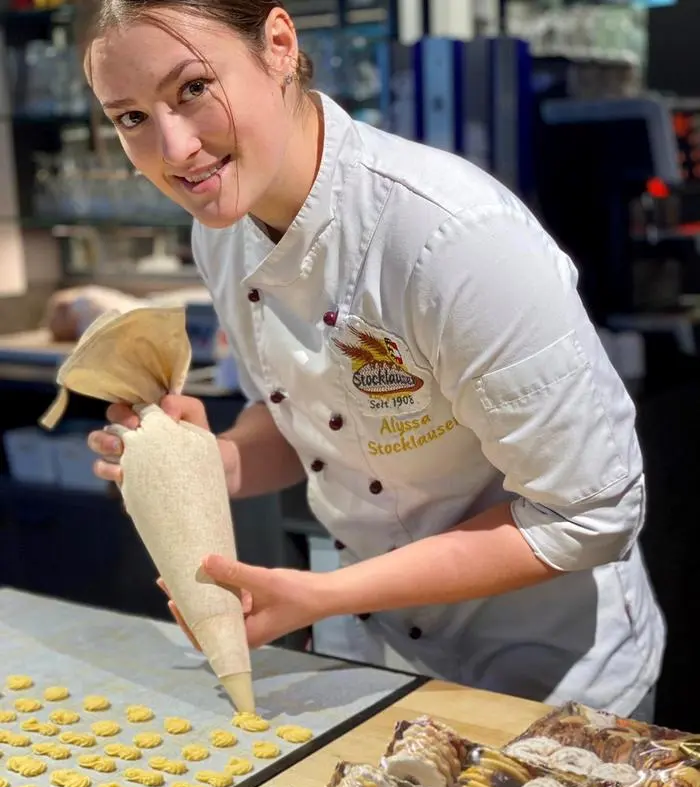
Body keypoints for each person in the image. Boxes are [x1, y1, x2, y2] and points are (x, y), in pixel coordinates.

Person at [84, 0, 664, 718]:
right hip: (381, 664)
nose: (174, 150)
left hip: (548, 674)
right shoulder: (222, 235)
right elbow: (313, 419)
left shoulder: (451, 237)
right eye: (131, 118)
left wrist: (323, 595)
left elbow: (591, 513)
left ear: (278, 44)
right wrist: (212, 462)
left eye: (194, 88)